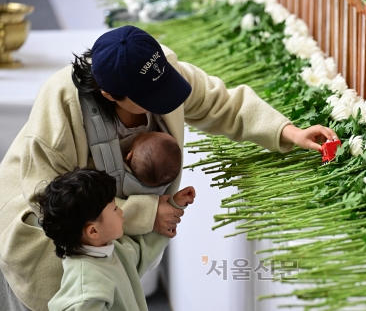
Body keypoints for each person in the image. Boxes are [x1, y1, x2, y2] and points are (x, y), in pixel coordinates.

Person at [0, 24, 337, 311]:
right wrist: (146, 212)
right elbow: (49, 200)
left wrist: (288, 131)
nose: (167, 98)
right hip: (47, 239)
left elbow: (220, 103)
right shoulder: (61, 110)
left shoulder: (155, 70)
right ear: (109, 94)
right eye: (151, 97)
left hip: (108, 238)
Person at [37, 167, 195, 311]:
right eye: (114, 208)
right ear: (93, 231)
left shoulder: (110, 249)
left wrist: (174, 206)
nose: (121, 212)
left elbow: (142, 250)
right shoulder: (86, 292)